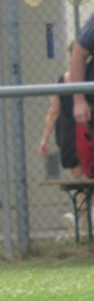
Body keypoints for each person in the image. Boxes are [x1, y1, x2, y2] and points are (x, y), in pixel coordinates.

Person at [38, 44, 93, 234]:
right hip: (75, 136)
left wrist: (45, 138)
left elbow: (53, 111)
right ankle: (83, 221)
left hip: (76, 136)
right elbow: (54, 111)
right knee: (84, 180)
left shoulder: (74, 80)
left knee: (83, 180)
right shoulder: (65, 82)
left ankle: (83, 220)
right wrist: (44, 138)